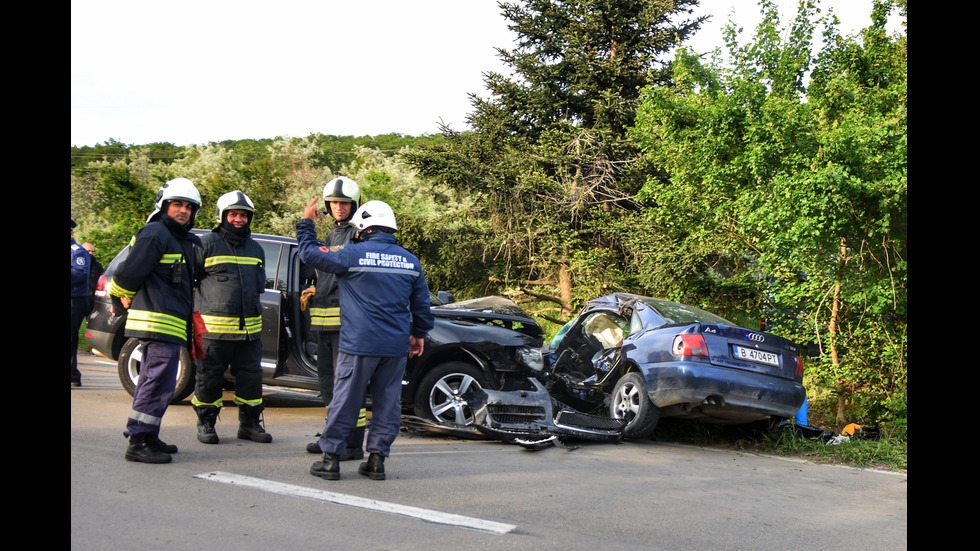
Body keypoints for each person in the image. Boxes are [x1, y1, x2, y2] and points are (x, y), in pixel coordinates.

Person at [297, 199, 434, 481]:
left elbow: (309, 254)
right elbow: (421, 305)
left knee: (345, 399)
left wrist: (307, 223)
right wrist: (418, 334)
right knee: (387, 403)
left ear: (362, 229)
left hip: (359, 344)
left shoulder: (351, 254)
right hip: (394, 347)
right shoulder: (410, 261)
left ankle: (330, 459)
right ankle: (376, 462)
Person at [109, 178, 202, 464]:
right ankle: (138, 440)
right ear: (164, 205)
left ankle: (149, 434)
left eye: (189, 206)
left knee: (162, 384)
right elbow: (126, 275)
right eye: (177, 204)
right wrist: (117, 300)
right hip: (156, 323)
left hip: (170, 324)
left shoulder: (179, 239)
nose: (183, 210)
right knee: (154, 381)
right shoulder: (155, 233)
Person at [191, 190, 272, 444]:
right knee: (209, 378)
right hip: (213, 332)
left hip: (249, 332)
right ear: (222, 216)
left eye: (244, 215)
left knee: (251, 379)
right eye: (234, 214)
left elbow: (259, 288)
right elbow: (186, 282)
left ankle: (248, 424)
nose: (239, 219)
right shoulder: (204, 244)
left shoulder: (256, 249)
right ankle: (206, 423)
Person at [303, 177, 366, 460]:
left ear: (354, 204)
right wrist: (317, 287)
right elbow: (326, 268)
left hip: (345, 324)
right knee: (328, 383)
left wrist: (306, 225)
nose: (339, 207)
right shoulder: (334, 234)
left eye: (344, 203)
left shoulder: (357, 235)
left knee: (348, 385)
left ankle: (352, 444)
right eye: (334, 203)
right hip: (325, 322)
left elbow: (318, 256)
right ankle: (333, 435)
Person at [71, 220, 91, 387]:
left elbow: (79, 275)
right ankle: (73, 375)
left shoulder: (77, 252)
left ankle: (73, 375)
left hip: (74, 299)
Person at [82, 242, 104, 314]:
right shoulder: (76, 263)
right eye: (88, 251)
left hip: (93, 296)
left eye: (92, 251)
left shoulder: (97, 266)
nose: (90, 253)